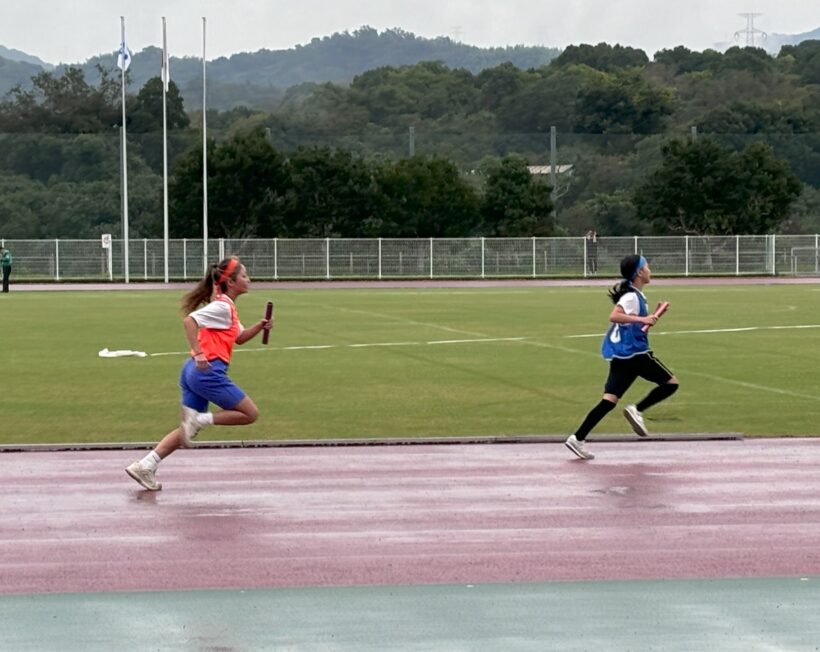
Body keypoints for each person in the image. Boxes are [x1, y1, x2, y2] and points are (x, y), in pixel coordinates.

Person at [126, 256, 273, 490]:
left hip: (192, 372)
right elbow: (190, 320)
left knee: (187, 430)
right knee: (249, 414)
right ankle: (200, 420)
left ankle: (146, 464)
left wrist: (260, 325)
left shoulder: (227, 307)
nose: (249, 279)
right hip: (207, 371)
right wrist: (199, 351)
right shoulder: (223, 306)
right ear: (232, 282)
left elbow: (240, 338)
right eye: (244, 275)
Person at [565, 254, 679, 460]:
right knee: (671, 384)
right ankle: (637, 409)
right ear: (639, 273)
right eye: (648, 267)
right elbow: (614, 316)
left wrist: (649, 317)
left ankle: (577, 438)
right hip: (634, 353)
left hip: (621, 355)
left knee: (609, 400)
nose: (650, 270)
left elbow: (631, 323)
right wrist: (643, 318)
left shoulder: (636, 295)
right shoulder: (631, 297)